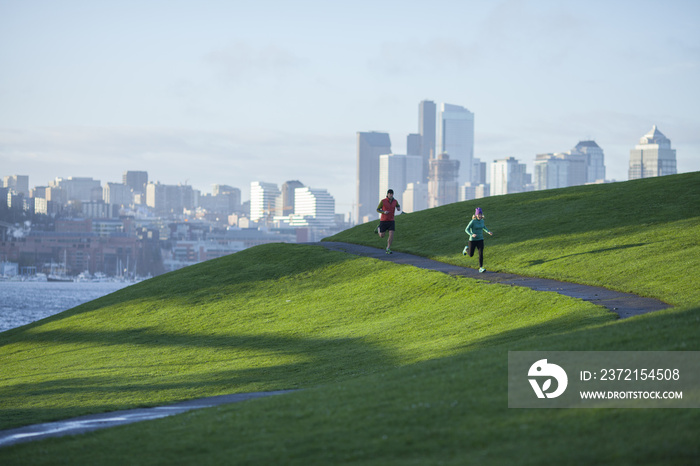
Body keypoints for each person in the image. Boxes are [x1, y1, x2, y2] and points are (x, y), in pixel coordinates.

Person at [463, 207, 493, 273]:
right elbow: (466, 229)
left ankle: (481, 267)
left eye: (480, 214)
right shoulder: (473, 221)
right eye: (478, 214)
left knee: (481, 253)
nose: (480, 216)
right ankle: (466, 249)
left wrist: (488, 232)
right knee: (471, 254)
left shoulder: (482, 221)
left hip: (480, 239)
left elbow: (484, 227)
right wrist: (471, 234)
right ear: (476, 215)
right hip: (472, 240)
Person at [375, 189, 401, 254]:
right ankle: (379, 228)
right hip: (383, 220)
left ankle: (388, 248)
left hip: (391, 221)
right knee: (382, 236)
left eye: (392, 194)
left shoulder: (395, 201)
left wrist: (398, 208)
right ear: (387, 194)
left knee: (391, 235)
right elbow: (378, 209)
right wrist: (384, 212)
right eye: (390, 194)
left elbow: (398, 205)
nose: (391, 195)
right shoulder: (383, 201)